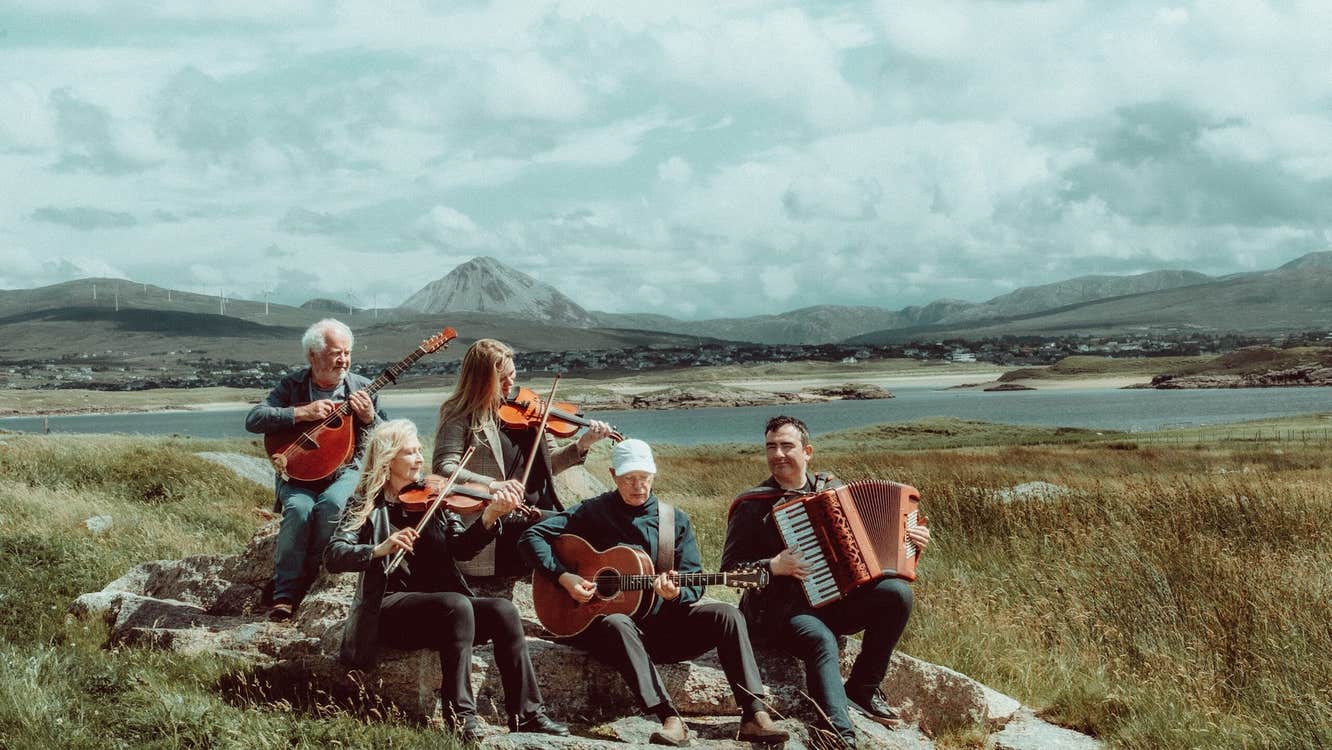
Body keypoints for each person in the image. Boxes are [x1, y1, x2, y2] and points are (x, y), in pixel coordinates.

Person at [519, 438, 789, 747]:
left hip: (661, 632)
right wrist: (564, 576)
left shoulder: (674, 521)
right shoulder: (593, 512)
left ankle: (754, 715)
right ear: (612, 474)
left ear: (654, 473)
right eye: (628, 478)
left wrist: (674, 595)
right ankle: (669, 718)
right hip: (604, 632)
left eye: (644, 477)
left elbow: (695, 581)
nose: (638, 486)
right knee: (618, 621)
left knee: (726, 614)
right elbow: (531, 536)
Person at [324, 419, 569, 744]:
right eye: (409, 453)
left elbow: (462, 548)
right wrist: (377, 549)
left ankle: (528, 714)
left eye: (419, 451)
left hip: (443, 613)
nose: (419, 459)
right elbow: (334, 554)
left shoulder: (434, 497)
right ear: (388, 459)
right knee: (456, 605)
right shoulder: (366, 504)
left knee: (503, 610)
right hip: (389, 610)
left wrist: (489, 517)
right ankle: (462, 717)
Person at [720, 415, 932, 748]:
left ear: (807, 451)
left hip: (835, 602)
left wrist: (910, 542)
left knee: (897, 593)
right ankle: (838, 735)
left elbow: (874, 551)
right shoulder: (750, 505)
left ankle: (862, 688)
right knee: (822, 640)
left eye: (786, 446)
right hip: (780, 612)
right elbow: (730, 572)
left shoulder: (833, 490)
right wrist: (772, 566)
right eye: (771, 447)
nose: (778, 454)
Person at [432, 338, 614, 584]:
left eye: (513, 375)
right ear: (480, 379)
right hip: (498, 517)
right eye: (501, 379)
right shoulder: (459, 413)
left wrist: (583, 444)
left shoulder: (531, 410)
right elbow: (444, 468)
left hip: (536, 512)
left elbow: (551, 466)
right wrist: (492, 485)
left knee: (592, 530)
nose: (510, 384)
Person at [245, 318, 385, 621]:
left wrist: (371, 417)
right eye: (336, 353)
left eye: (347, 353)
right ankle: (284, 594)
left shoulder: (361, 387)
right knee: (297, 511)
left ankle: (310, 576)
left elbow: (387, 436)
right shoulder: (293, 385)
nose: (343, 360)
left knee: (333, 505)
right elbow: (254, 419)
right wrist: (300, 412)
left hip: (346, 470)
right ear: (312, 355)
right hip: (299, 474)